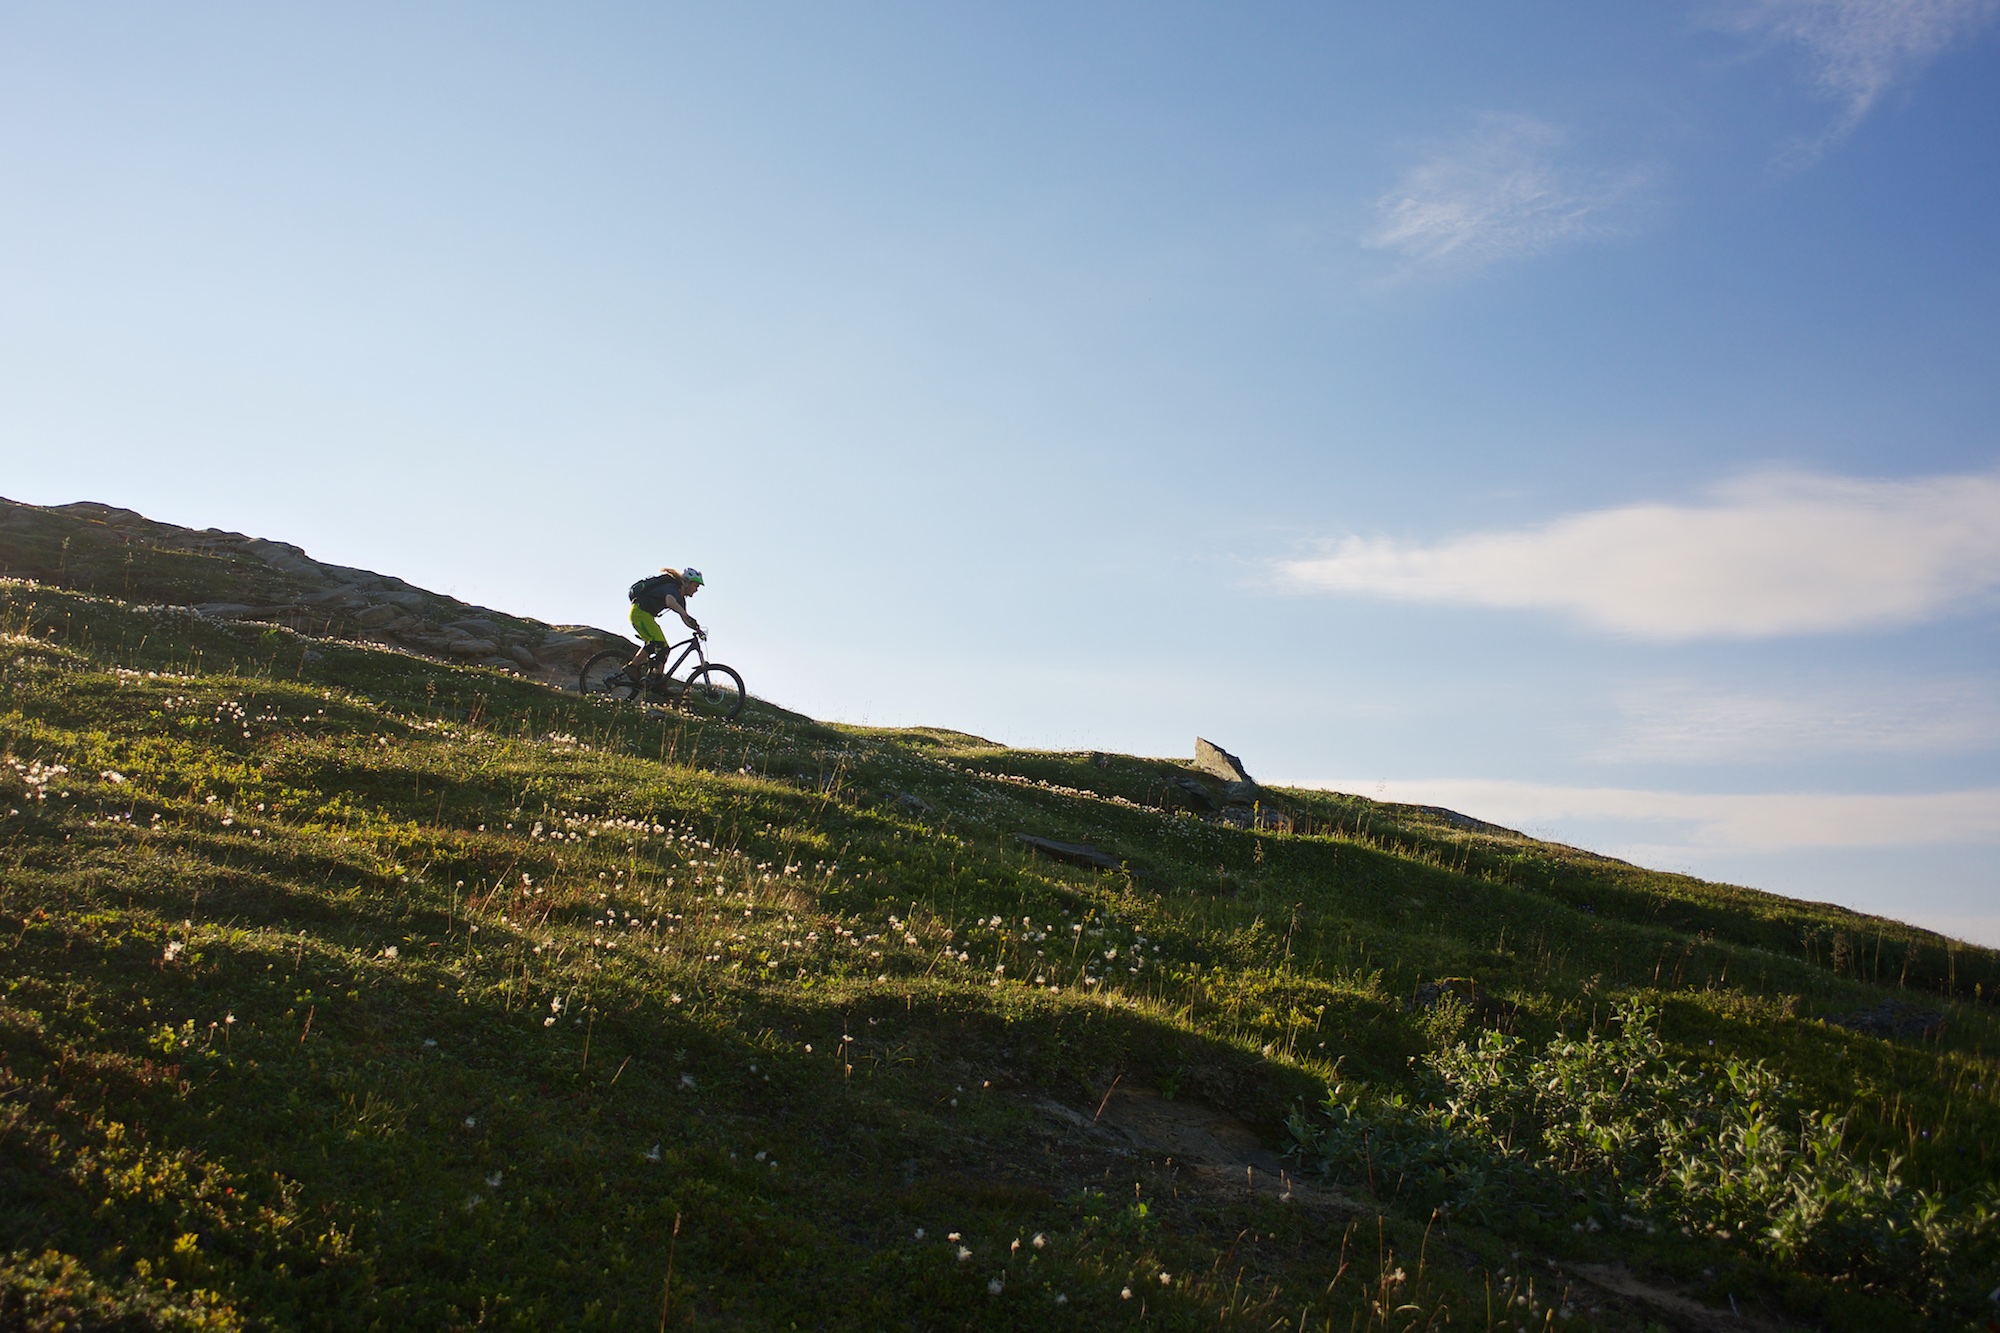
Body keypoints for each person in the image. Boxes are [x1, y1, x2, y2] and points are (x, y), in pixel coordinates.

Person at [625, 566, 704, 676]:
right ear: (686, 582)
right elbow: (670, 602)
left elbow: (684, 618)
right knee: (657, 643)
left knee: (664, 649)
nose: (696, 589)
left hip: (646, 616)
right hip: (640, 613)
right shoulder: (673, 587)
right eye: (695, 585)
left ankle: (658, 680)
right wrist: (684, 613)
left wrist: (696, 628)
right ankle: (632, 666)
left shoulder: (680, 597)